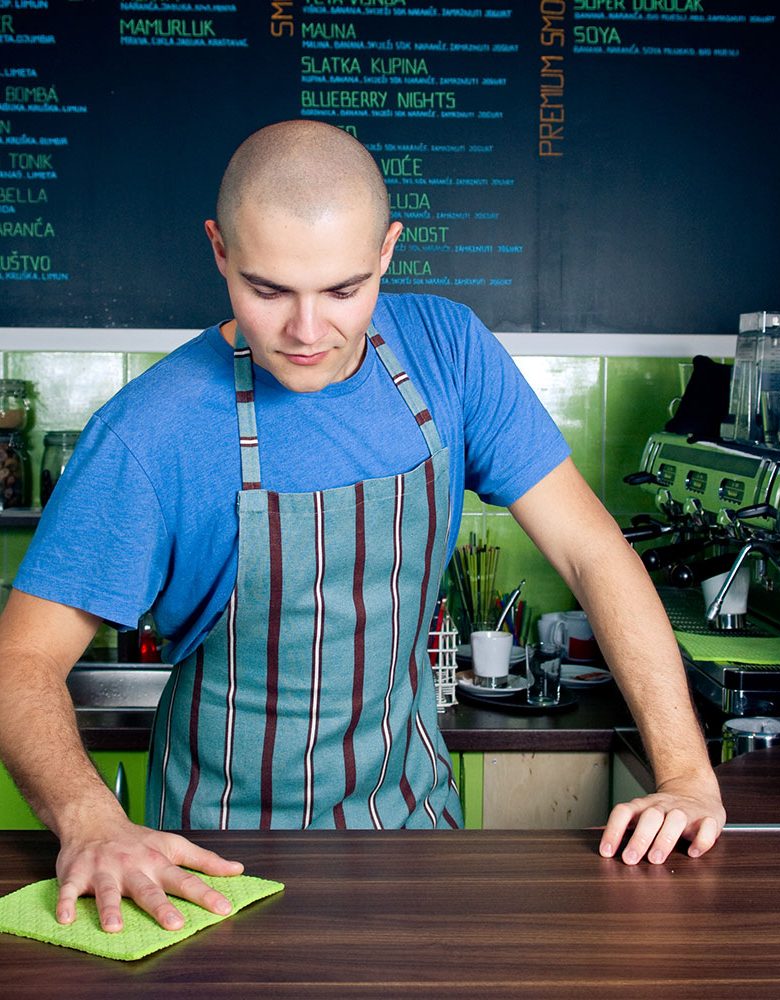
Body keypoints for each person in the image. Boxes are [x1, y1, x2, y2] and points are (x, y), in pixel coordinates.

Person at [0, 121, 725, 934]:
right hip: (212, 865)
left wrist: (687, 773)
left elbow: (593, 553)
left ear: (387, 251)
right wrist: (90, 819)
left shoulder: (447, 354)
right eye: (268, 291)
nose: (308, 332)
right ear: (218, 251)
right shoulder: (151, 431)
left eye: (344, 290)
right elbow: (20, 659)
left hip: (416, 836)